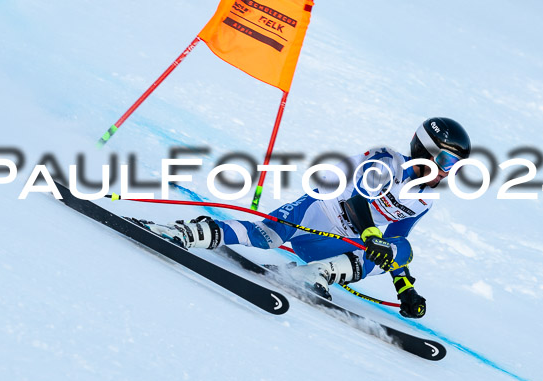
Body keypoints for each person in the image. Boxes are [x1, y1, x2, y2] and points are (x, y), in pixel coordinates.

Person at [142, 117, 471, 319]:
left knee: (399, 248)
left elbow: (397, 245)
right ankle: (185, 232)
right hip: (316, 211)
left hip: (332, 245)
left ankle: (315, 274)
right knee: (264, 236)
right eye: (444, 159)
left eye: (454, 165)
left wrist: (405, 290)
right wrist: (371, 234)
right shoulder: (386, 160)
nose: (446, 172)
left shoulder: (423, 201)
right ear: (424, 150)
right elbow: (357, 199)